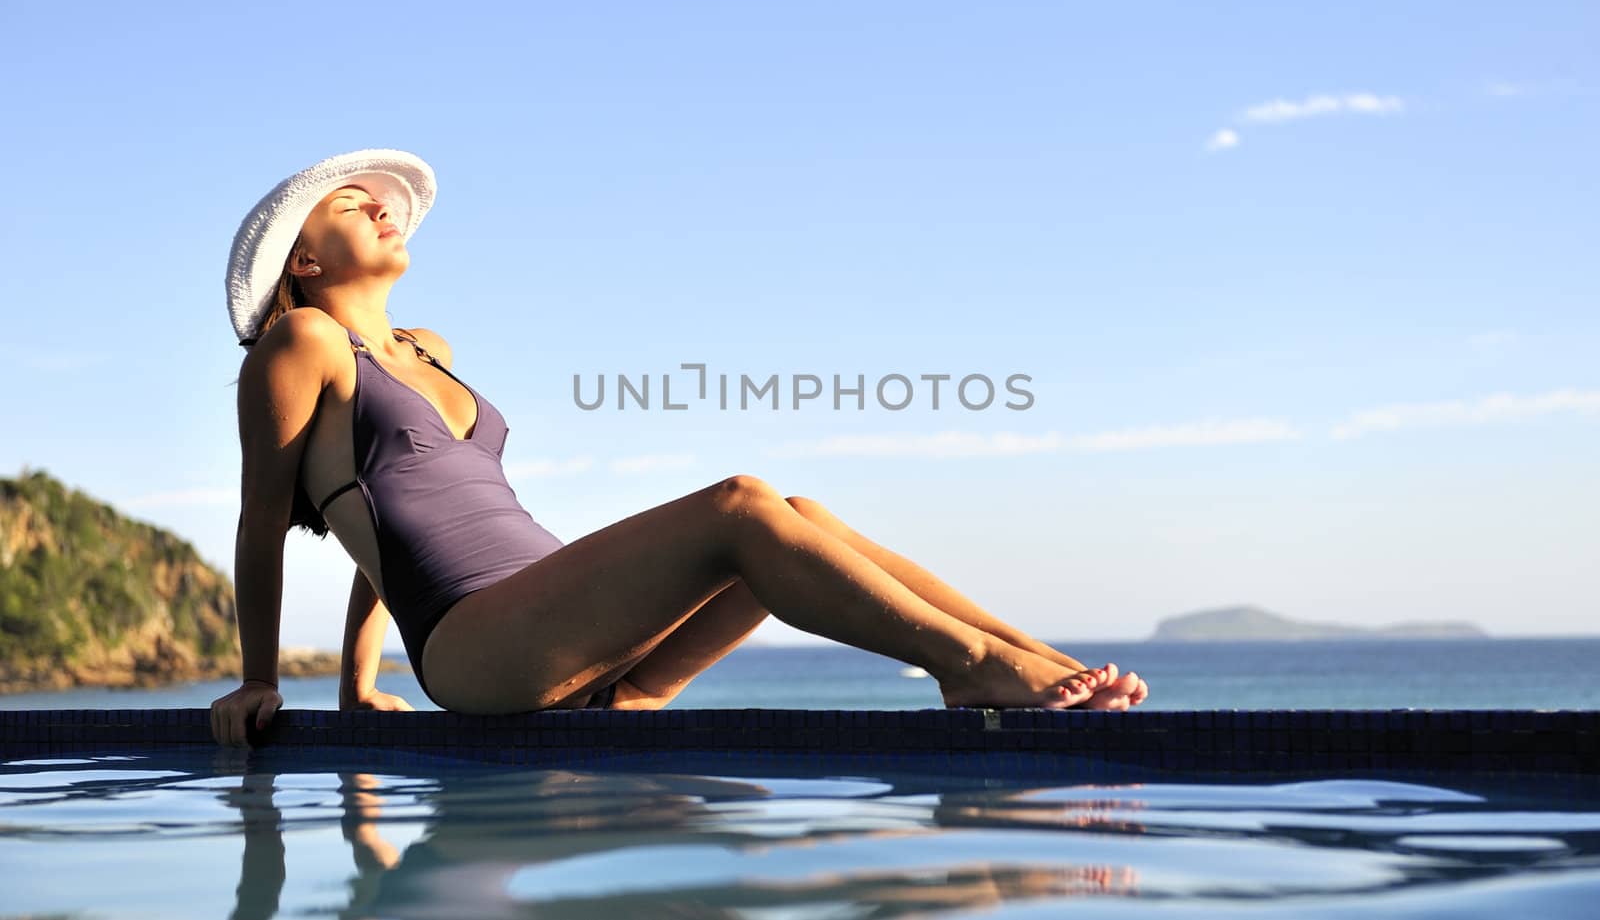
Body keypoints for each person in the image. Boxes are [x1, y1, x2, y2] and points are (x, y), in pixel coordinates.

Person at [209, 150, 1148, 746]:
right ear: (305, 260)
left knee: (798, 516)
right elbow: (266, 522)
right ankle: (971, 670)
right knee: (739, 505)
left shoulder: (429, 352)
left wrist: (358, 684)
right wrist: (259, 680)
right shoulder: (302, 346)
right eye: (350, 203)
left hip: (577, 645)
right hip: (480, 647)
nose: (381, 205)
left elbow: (393, 515)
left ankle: (1027, 657)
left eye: (382, 200)